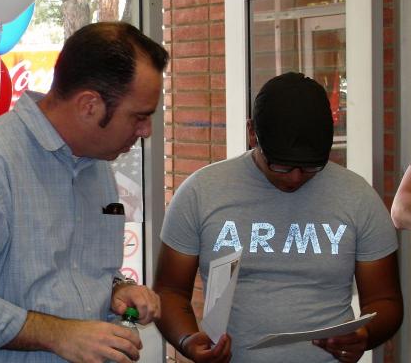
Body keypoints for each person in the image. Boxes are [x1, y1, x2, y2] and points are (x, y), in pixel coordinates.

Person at [0, 22, 169, 362]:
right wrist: (57, 334)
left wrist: (118, 289)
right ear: (89, 105)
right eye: (139, 117)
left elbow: (73, 273)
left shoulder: (97, 165)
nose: (146, 131)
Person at [154, 72, 403, 363]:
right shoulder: (201, 193)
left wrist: (364, 335)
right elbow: (169, 290)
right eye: (281, 167)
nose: (296, 178)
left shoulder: (358, 198)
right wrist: (187, 340)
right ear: (251, 134)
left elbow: (385, 301)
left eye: (311, 168)